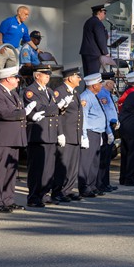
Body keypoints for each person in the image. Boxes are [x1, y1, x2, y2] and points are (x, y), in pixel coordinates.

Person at [0, 66, 29, 213]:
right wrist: (25, 112)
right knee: (0, 171)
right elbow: (5, 114)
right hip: (3, 138)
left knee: (11, 170)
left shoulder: (12, 94)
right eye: (15, 77)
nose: (18, 79)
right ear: (7, 78)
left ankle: (8, 199)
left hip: (14, 138)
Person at [22, 65, 62, 208]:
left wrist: (59, 132)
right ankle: (33, 196)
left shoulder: (49, 91)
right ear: (37, 76)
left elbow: (53, 112)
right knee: (37, 168)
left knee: (48, 167)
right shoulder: (30, 91)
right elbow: (40, 108)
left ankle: (44, 194)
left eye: (48, 74)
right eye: (45, 74)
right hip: (38, 134)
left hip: (50, 133)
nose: (48, 76)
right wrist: (57, 107)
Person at [51, 67, 84, 202]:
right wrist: (60, 133)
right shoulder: (60, 92)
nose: (80, 79)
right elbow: (57, 114)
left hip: (75, 134)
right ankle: (57, 191)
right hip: (66, 133)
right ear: (70, 78)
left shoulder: (74, 92)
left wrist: (81, 133)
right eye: (77, 76)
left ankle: (68, 190)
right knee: (62, 165)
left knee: (72, 166)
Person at [79, 73, 108, 198]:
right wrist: (84, 135)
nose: (101, 85)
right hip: (89, 132)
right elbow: (84, 117)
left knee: (94, 162)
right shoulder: (86, 97)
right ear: (93, 85)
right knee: (86, 162)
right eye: (99, 83)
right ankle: (84, 187)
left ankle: (92, 185)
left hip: (97, 132)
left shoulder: (94, 96)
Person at [96, 76, 119, 193]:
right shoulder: (102, 94)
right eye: (112, 83)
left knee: (107, 158)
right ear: (107, 83)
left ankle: (106, 183)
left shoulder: (107, 93)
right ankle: (101, 183)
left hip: (111, 126)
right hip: (106, 128)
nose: (113, 85)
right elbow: (105, 112)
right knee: (103, 158)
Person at [0, 6, 31, 71]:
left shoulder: (24, 27)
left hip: (14, 50)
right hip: (4, 48)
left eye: (28, 15)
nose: (27, 16)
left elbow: (28, 40)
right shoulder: (9, 21)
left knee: (11, 72)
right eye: (26, 14)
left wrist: (37, 49)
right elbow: (0, 32)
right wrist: (1, 45)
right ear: (19, 13)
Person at [79, 4, 110, 76]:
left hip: (87, 52)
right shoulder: (97, 23)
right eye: (104, 13)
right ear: (99, 12)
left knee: (88, 76)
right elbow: (100, 38)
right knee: (93, 77)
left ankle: (87, 87)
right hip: (94, 53)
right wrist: (105, 52)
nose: (105, 15)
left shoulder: (89, 21)